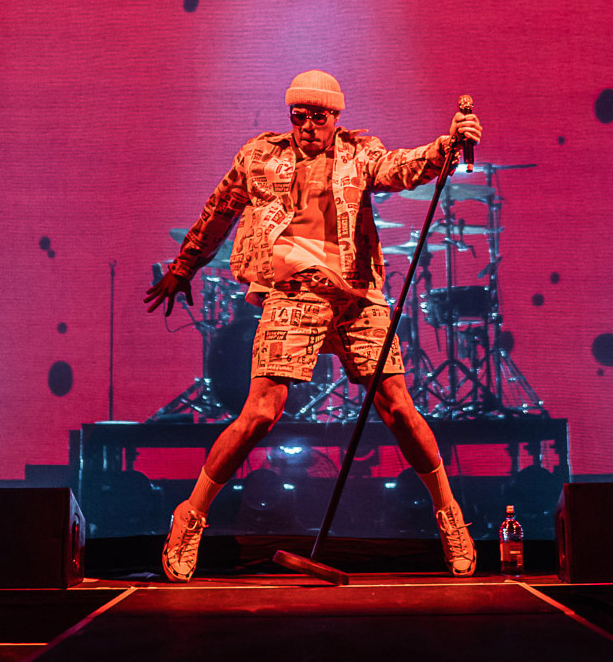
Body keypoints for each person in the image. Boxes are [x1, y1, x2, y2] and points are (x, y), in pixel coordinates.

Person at [145, 70, 483, 581]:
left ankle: (449, 515)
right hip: (292, 294)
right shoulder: (259, 156)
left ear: (336, 116)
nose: (307, 125)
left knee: (397, 406)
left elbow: (402, 168)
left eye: (317, 116)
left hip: (355, 296)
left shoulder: (359, 153)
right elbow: (219, 211)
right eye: (298, 116)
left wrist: (448, 145)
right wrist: (183, 267)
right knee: (261, 413)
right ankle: (190, 514)